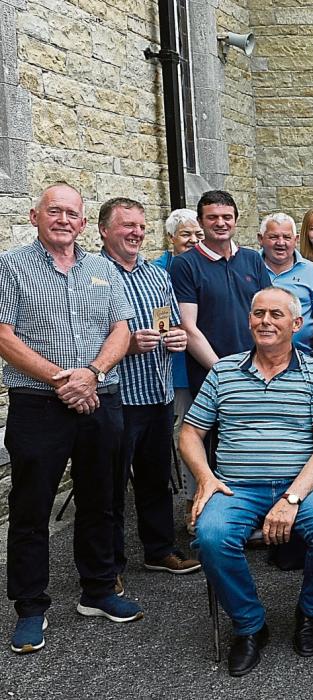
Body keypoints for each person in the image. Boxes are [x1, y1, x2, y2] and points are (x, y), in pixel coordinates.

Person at [1, 183, 140, 654]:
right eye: (54, 211)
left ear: (84, 223)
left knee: (102, 499)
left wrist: (93, 373)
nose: (63, 219)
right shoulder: (12, 266)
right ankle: (31, 607)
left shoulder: (102, 268)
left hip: (101, 398)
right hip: (39, 403)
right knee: (31, 508)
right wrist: (64, 380)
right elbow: (3, 335)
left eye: (72, 214)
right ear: (34, 215)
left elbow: (121, 328)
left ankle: (98, 590)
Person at [181, 287, 313, 675]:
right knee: (211, 536)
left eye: (275, 314)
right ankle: (251, 625)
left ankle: (311, 612)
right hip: (235, 485)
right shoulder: (224, 371)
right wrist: (204, 479)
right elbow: (190, 433)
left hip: (304, 484)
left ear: (297, 324)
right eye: (258, 314)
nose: (265, 321)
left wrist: (291, 498)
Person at [98, 197, 199, 580]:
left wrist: (174, 336)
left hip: (158, 392)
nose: (136, 232)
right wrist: (125, 345)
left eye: (140, 226)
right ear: (104, 230)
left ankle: (159, 550)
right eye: (127, 225)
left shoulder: (157, 274)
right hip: (116, 396)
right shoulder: (94, 273)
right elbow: (84, 336)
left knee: (156, 480)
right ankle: (109, 567)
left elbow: (172, 322)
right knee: (110, 487)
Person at [171, 190, 271, 395]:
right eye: (212, 217)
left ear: (236, 219)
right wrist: (225, 373)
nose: (220, 223)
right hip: (212, 377)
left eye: (227, 217)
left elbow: (270, 314)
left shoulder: (253, 259)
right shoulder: (185, 264)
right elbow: (188, 328)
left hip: (258, 371)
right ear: (200, 221)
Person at [153, 208, 203, 503]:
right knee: (188, 431)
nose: (194, 240)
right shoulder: (159, 271)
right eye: (186, 234)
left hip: (208, 359)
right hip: (179, 366)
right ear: (171, 237)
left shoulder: (205, 264)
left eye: (198, 234)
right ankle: (190, 498)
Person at [259, 212, 313, 354]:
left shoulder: (312, 272)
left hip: (303, 357)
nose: (281, 243)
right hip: (255, 358)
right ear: (260, 239)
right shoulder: (248, 266)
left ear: (296, 239)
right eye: (273, 237)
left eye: (287, 237)